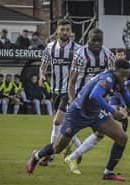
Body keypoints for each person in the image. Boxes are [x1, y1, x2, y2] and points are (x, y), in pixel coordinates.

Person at [26, 59, 130, 182]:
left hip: (95, 113)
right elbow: (94, 95)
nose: (125, 78)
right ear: (115, 71)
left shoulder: (119, 80)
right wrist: (113, 111)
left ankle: (108, 172)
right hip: (77, 113)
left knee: (122, 138)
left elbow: (128, 99)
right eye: (122, 75)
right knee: (58, 148)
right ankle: (36, 156)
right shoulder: (108, 79)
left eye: (127, 75)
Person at [64, 48, 130, 177]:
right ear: (115, 56)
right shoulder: (112, 68)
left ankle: (73, 153)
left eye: (122, 54)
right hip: (104, 100)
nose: (120, 56)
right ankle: (72, 155)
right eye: (118, 54)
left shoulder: (127, 68)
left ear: (125, 55)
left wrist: (127, 82)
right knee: (103, 133)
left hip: (115, 98)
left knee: (101, 133)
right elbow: (103, 85)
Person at [38, 19, 81, 165]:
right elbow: (42, 66)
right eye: (62, 29)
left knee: (57, 122)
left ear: (71, 31)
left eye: (68, 30)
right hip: (55, 91)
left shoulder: (77, 48)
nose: (65, 32)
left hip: (69, 91)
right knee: (63, 125)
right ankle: (79, 149)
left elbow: (83, 70)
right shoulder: (50, 47)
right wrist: (42, 75)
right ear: (57, 31)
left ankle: (49, 156)